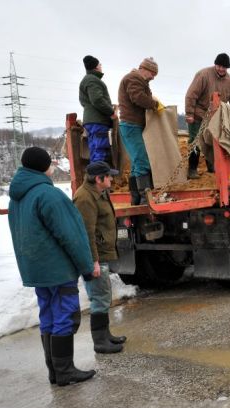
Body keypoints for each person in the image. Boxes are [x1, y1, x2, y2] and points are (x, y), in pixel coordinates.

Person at [8, 147, 96, 386]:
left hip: (36, 269)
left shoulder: (18, 195)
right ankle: (65, 371)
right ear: (43, 167)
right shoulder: (49, 195)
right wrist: (87, 267)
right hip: (57, 269)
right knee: (65, 315)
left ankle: (55, 372)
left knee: (47, 315)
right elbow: (71, 235)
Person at [73, 162, 127, 354]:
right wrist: (92, 261)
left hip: (101, 254)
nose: (112, 179)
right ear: (99, 178)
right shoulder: (85, 198)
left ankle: (106, 335)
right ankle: (99, 342)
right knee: (99, 298)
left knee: (104, 295)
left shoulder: (99, 192)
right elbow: (86, 234)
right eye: (109, 176)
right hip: (95, 257)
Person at [185, 53, 230, 179]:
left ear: (227, 68)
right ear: (215, 64)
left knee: (213, 142)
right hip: (198, 114)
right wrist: (189, 113)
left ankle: (211, 166)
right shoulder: (203, 75)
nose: (221, 69)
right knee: (195, 141)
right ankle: (192, 169)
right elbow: (191, 95)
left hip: (216, 118)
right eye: (219, 66)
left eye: (224, 67)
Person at [118, 57, 160, 205]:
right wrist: (154, 104)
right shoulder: (133, 78)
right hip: (131, 125)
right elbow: (138, 98)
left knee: (136, 164)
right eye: (152, 73)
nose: (153, 77)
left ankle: (135, 198)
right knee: (142, 161)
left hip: (133, 125)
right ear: (145, 69)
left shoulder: (138, 80)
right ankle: (144, 199)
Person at [79, 55, 115, 164]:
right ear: (96, 67)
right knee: (100, 149)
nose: (101, 66)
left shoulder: (86, 80)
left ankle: (95, 177)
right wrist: (111, 112)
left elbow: (83, 101)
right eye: (99, 64)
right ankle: (99, 177)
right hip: (98, 121)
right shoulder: (93, 80)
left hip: (91, 121)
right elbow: (97, 100)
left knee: (95, 150)